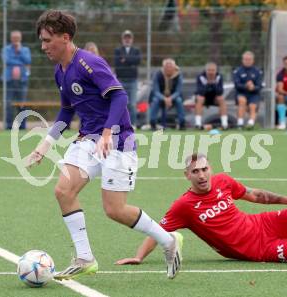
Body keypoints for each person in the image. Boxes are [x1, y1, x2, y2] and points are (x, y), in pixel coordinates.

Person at [30, 10, 182, 281]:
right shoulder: (60, 72)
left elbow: (120, 97)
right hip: (89, 139)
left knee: (114, 210)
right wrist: (45, 144)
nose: (43, 47)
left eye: (47, 40)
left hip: (119, 140)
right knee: (63, 191)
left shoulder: (89, 63)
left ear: (65, 38)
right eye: (41, 41)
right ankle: (85, 258)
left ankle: (168, 240)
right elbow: (66, 112)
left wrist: (107, 133)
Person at [117, 153, 287, 266]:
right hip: (260, 250)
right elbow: (157, 231)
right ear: (187, 175)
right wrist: (139, 256)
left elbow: (255, 195)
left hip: (265, 223)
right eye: (195, 171)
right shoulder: (183, 206)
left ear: (211, 169)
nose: (201, 175)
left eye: (205, 169)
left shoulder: (223, 181)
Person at [1, 30, 32, 130]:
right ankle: (9, 126)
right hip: (8, 80)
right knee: (8, 103)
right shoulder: (5, 49)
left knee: (22, 104)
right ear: (11, 38)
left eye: (17, 38)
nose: (15, 40)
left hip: (22, 80)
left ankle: (22, 126)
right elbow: (6, 60)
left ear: (20, 38)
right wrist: (20, 63)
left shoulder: (25, 50)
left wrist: (19, 51)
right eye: (14, 38)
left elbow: (28, 60)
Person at [114, 30, 141, 126]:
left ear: (132, 39)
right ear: (122, 39)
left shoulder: (136, 50)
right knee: (121, 103)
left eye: (129, 38)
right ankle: (120, 124)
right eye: (125, 37)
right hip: (121, 80)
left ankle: (132, 124)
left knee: (132, 104)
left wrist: (125, 59)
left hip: (133, 80)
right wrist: (131, 61)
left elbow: (137, 61)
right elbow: (117, 63)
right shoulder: (117, 50)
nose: (127, 39)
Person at [149, 58, 185, 130]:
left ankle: (182, 123)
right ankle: (152, 123)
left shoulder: (179, 75)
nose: (168, 68)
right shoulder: (158, 74)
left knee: (179, 100)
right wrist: (164, 99)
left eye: (170, 66)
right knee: (155, 100)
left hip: (174, 97)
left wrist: (170, 98)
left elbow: (178, 91)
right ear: (163, 67)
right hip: (160, 97)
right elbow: (156, 91)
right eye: (167, 66)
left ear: (174, 67)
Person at [233, 51, 263, 129]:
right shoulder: (237, 71)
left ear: (253, 61)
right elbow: (237, 85)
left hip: (253, 94)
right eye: (246, 59)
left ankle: (251, 124)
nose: (247, 61)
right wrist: (246, 86)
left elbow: (259, 86)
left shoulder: (258, 71)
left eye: (249, 59)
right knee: (242, 101)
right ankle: (240, 124)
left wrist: (253, 87)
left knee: (252, 106)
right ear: (242, 60)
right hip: (241, 92)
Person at [194, 62, 228, 129]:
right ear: (206, 70)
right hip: (204, 98)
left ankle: (224, 124)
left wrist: (214, 84)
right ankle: (198, 124)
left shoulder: (219, 77)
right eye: (209, 70)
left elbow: (220, 91)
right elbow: (199, 91)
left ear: (216, 70)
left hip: (214, 98)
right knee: (199, 98)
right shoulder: (200, 77)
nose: (211, 72)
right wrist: (207, 84)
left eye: (213, 70)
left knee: (221, 99)